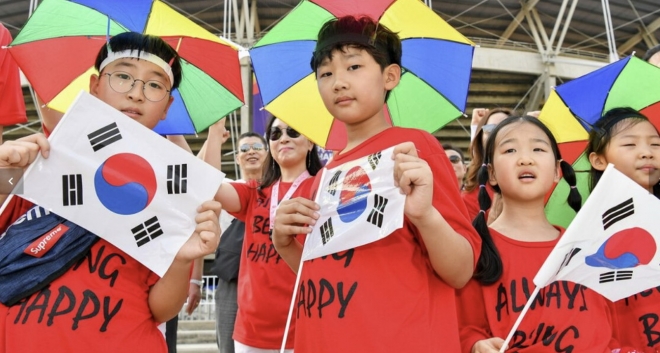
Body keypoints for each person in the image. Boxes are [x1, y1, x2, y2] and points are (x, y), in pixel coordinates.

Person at [0, 32, 222, 353]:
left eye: (155, 84)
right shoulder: (50, 153)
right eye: (122, 76)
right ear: (94, 86)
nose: (136, 93)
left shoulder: (176, 188)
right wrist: (6, 173)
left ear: (167, 106)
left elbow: (161, 310)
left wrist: (180, 260)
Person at [271, 16, 480, 352]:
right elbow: (325, 274)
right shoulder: (323, 178)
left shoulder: (413, 150)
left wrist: (425, 215)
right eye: (325, 74)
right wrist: (284, 243)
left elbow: (460, 270)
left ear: (390, 76)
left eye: (353, 66)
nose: (338, 82)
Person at [456, 115, 627, 352]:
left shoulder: (584, 249)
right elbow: (461, 326)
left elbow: (608, 330)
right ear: (492, 174)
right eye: (510, 150)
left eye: (538, 149)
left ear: (558, 171)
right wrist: (475, 344)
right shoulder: (474, 248)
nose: (525, 159)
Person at [212, 115, 322, 353]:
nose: (283, 138)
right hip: (251, 331)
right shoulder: (255, 192)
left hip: (301, 325)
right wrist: (214, 131)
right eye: (275, 134)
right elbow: (209, 188)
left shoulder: (321, 188)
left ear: (311, 142)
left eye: (292, 131)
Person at [587, 107, 660, 352]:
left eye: (656, 145)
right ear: (598, 160)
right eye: (630, 145)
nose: (646, 153)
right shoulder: (587, 234)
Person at [208, 126, 268, 353]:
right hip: (232, 280)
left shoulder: (277, 191)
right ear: (237, 157)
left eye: (257, 147)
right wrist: (214, 137)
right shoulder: (229, 191)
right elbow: (206, 182)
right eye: (244, 148)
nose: (251, 152)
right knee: (228, 344)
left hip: (266, 277)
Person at [463, 108, 511, 222]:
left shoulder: (533, 184)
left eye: (505, 129)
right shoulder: (470, 196)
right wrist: (493, 219)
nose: (497, 134)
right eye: (490, 129)